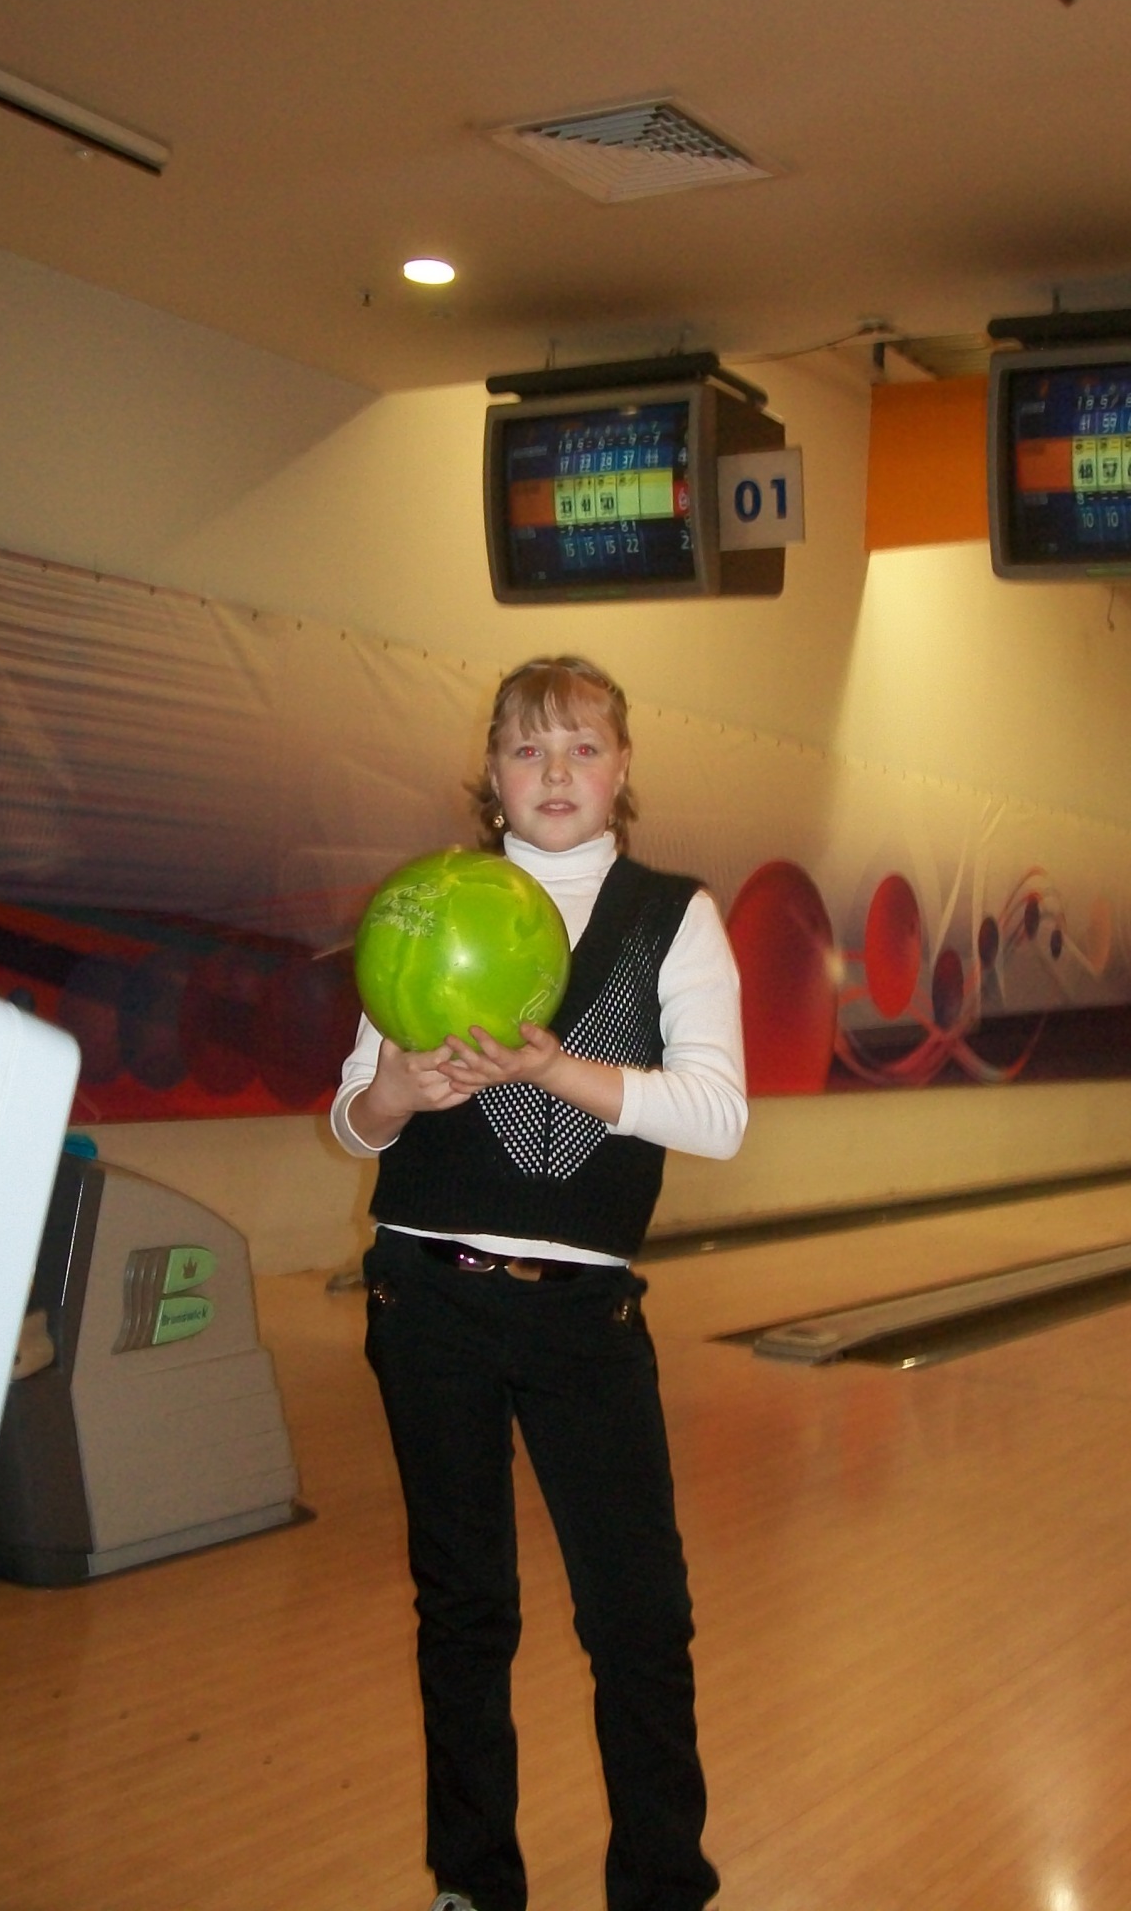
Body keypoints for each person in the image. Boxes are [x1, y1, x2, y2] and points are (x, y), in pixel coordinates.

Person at [331, 654, 747, 1911]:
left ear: (622, 770)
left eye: (582, 747)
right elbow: (353, 1120)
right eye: (527, 747)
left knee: (640, 1618)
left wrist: (558, 1069)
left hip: (582, 1316)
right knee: (465, 1609)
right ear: (493, 773)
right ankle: (473, 1884)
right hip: (428, 1300)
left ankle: (663, 1885)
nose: (554, 771)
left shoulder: (674, 913)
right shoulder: (427, 905)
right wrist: (395, 1092)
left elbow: (719, 1113)